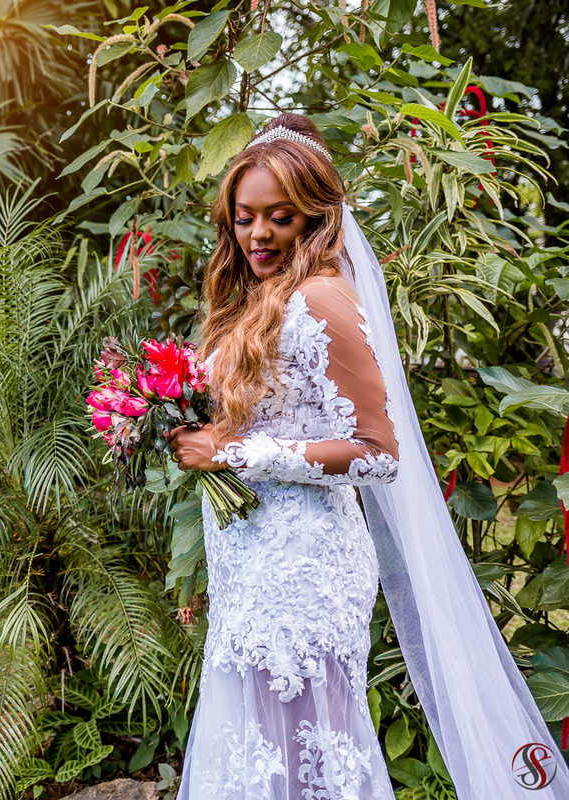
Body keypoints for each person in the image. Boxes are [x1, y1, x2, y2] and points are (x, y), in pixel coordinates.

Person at [167, 114, 566, 798]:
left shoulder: (322, 299)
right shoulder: (258, 300)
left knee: (305, 744)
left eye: (279, 218)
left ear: (315, 219)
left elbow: (379, 454)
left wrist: (236, 454)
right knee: (259, 745)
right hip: (248, 554)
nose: (258, 234)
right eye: (244, 218)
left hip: (305, 561)